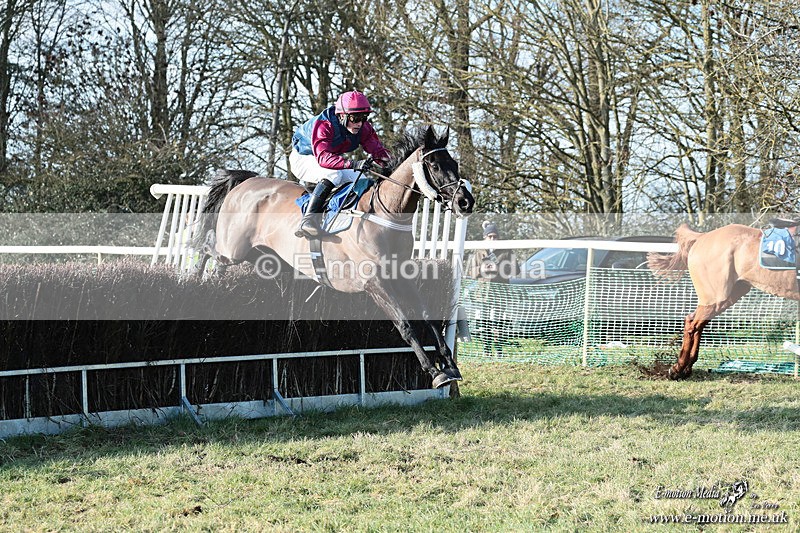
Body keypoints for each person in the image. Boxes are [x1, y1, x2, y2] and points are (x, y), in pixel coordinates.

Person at [290, 90, 392, 238]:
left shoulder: (363, 128)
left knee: (361, 179)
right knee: (333, 174)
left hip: (328, 159)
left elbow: (378, 151)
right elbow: (323, 158)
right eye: (355, 118)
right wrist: (353, 163)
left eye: (364, 117)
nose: (359, 123)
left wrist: (394, 165)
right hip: (304, 158)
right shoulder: (325, 125)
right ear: (342, 115)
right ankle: (308, 220)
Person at [465, 221, 519, 356]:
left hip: (500, 294)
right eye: (490, 236)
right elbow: (470, 272)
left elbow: (516, 270)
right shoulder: (478, 252)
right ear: (485, 237)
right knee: (484, 324)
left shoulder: (506, 251)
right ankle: (487, 350)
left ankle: (499, 350)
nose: (493, 239)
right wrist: (482, 269)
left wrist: (499, 268)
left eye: (495, 236)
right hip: (482, 294)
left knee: (498, 323)